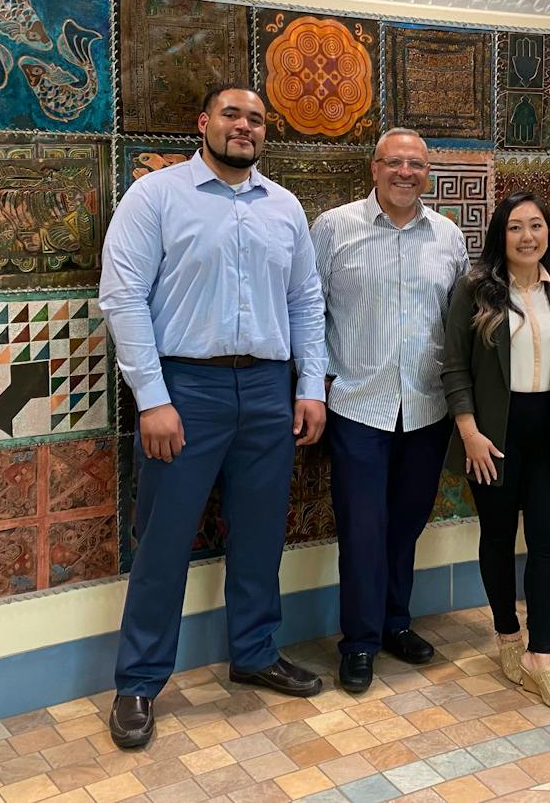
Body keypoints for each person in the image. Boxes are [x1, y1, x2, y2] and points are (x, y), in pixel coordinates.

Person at [99, 87, 328, 750]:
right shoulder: (157, 197)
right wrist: (153, 398)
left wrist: (309, 385)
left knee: (260, 535)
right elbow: (123, 297)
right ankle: (139, 682)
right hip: (185, 388)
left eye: (256, 119)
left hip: (265, 389)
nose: (244, 127)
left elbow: (306, 300)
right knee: (164, 542)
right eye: (232, 115)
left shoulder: (283, 207)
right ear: (203, 123)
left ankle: (255, 653)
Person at [311, 128, 469, 693]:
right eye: (395, 162)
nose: (406, 172)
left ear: (428, 173)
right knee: (361, 528)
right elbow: (308, 312)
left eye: (417, 164)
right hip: (357, 404)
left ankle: (395, 624)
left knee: (406, 525)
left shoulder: (448, 237)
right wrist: (310, 385)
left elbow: (459, 322)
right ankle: (358, 642)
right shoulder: (333, 229)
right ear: (374, 168)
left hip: (427, 410)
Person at [442, 192, 550, 711]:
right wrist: (468, 431)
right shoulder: (476, 291)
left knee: (549, 544)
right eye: (515, 228)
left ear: (547, 232)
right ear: (498, 236)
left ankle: (541, 659)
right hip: (493, 438)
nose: (527, 236)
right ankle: (507, 636)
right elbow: (455, 366)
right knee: (499, 538)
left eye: (536, 225)